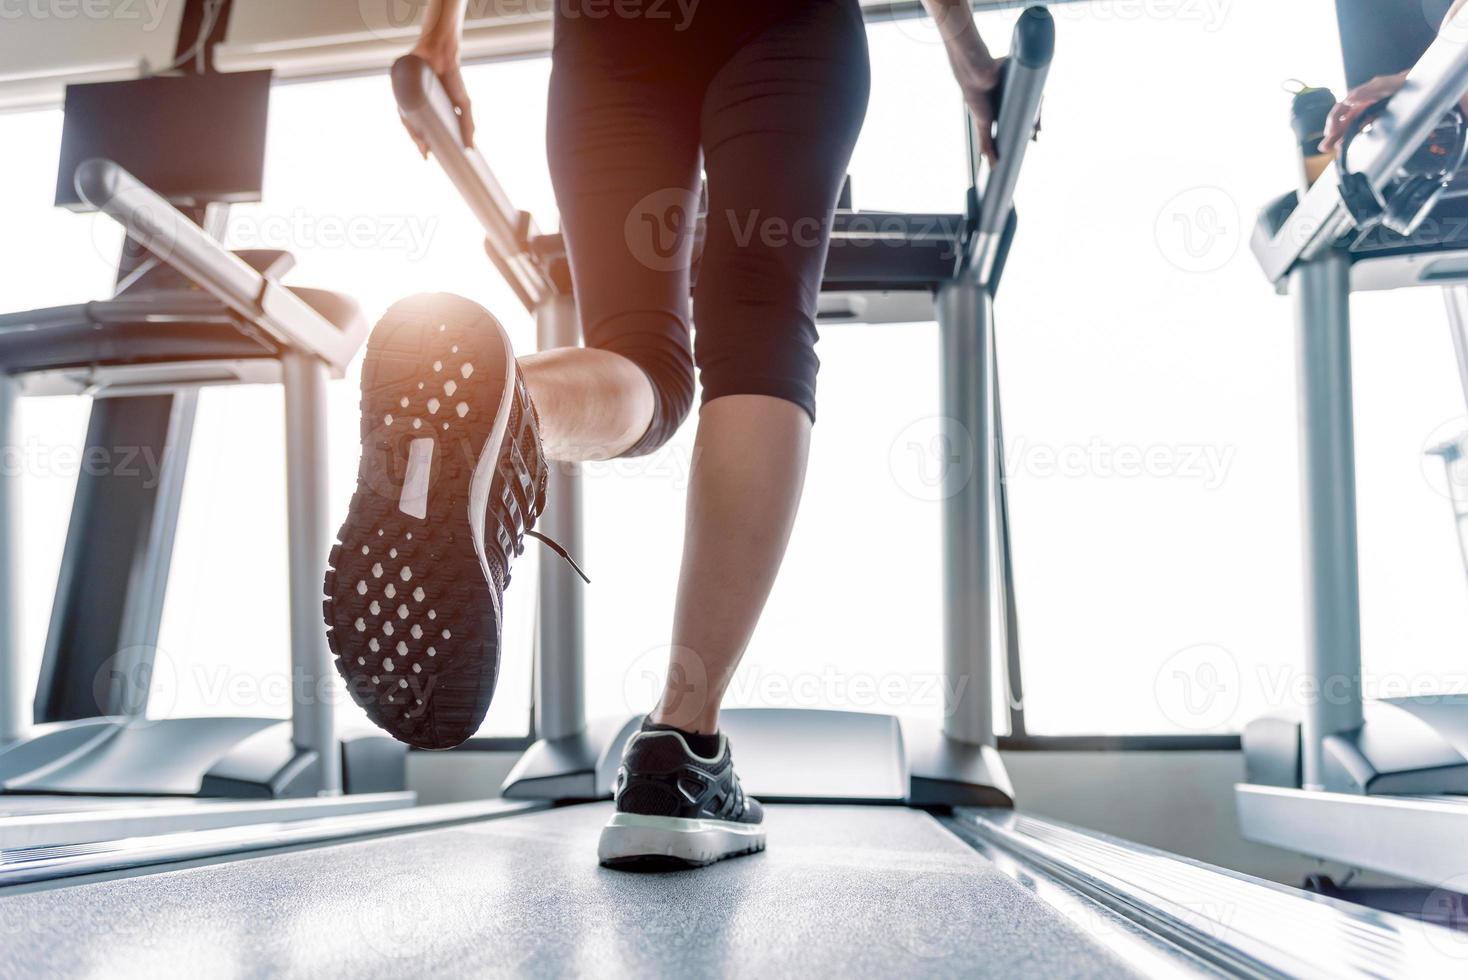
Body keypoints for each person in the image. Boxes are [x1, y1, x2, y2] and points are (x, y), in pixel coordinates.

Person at [323, 0, 1001, 867]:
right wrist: (967, 51)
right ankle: (683, 744)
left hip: (613, 29)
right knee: (760, 331)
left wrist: (440, 30)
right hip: (786, 26)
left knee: (641, 352)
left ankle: (502, 399)